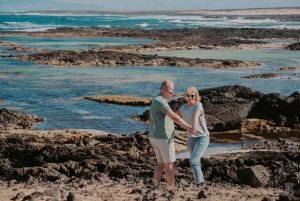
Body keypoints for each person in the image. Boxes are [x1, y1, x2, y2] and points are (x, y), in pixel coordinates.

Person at [149, 80, 197, 186]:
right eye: (171, 90)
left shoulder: (157, 99)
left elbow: (172, 116)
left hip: (155, 137)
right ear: (164, 88)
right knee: (169, 165)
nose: (172, 92)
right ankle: (170, 189)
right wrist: (189, 127)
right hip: (163, 138)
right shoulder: (160, 101)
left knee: (160, 164)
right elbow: (174, 116)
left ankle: (154, 185)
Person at [176, 86, 210, 184]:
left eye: (192, 96)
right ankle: (199, 182)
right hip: (191, 138)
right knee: (196, 162)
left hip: (202, 137)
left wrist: (194, 125)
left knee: (193, 161)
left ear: (196, 96)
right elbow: (175, 117)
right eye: (188, 95)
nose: (190, 98)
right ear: (185, 96)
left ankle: (199, 183)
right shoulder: (183, 108)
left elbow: (196, 116)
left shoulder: (198, 105)